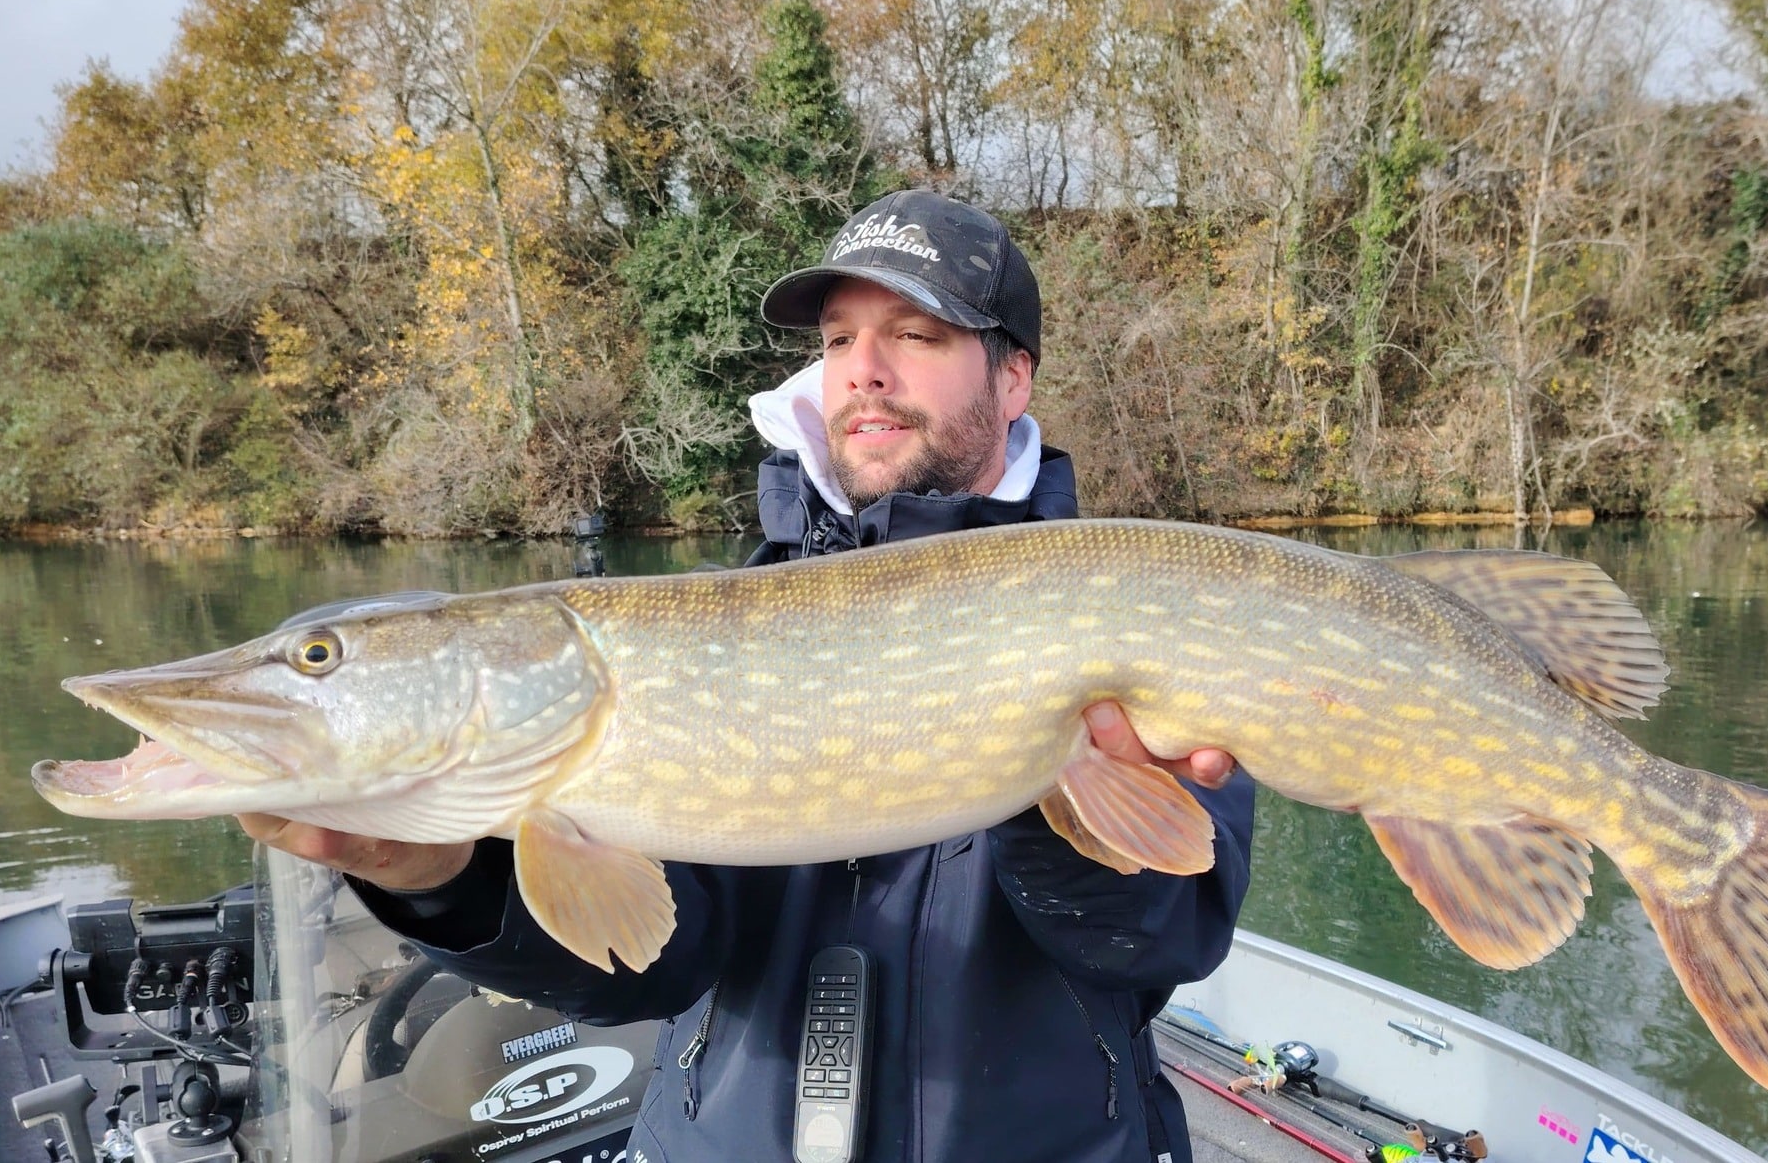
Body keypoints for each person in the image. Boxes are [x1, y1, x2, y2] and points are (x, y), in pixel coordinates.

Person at [239, 189, 1257, 1163]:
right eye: (836, 340)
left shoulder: (1140, 603)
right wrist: (448, 885)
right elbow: (654, 960)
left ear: (1012, 378)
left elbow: (1153, 944)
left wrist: (1052, 788)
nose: (861, 368)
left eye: (914, 333)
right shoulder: (706, 633)